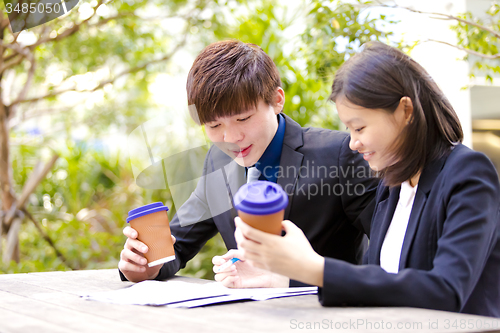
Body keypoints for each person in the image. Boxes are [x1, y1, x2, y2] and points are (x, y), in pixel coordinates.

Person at [234, 41, 500, 317]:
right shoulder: (392, 186)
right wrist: (282, 276)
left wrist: (315, 267)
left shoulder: (467, 172)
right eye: (348, 129)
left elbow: (446, 290)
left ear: (405, 111)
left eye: (359, 127)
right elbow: (381, 284)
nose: (353, 143)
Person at [118, 40, 378, 287]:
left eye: (243, 119)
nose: (230, 138)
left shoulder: (340, 155)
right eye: (214, 125)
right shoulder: (217, 161)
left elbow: (389, 258)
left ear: (277, 100)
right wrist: (145, 264)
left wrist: (289, 281)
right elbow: (177, 243)